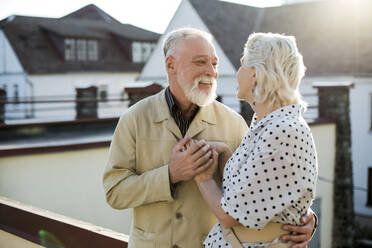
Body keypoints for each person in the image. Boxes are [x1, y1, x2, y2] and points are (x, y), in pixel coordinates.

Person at [103, 28, 316, 248]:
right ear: (170, 65)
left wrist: (303, 218)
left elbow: (266, 184)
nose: (211, 72)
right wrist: (170, 175)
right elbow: (114, 192)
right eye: (200, 62)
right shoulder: (134, 119)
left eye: (214, 64)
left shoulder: (235, 123)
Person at [192, 32, 318, 248]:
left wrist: (202, 177)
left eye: (242, 65)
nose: (236, 72)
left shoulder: (282, 130)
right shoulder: (269, 124)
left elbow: (231, 216)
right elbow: (255, 191)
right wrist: (225, 154)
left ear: (256, 75)